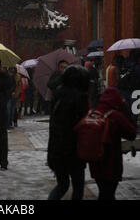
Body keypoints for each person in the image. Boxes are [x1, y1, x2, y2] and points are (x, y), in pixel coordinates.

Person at [47, 65, 90, 200]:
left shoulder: (58, 94)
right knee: (78, 187)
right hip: (73, 149)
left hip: (56, 148)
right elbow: (84, 123)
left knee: (62, 185)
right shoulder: (80, 97)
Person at [89, 87, 136, 200]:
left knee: (103, 193)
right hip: (111, 163)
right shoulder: (115, 115)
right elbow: (131, 134)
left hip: (95, 162)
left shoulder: (93, 113)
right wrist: (124, 110)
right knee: (109, 194)